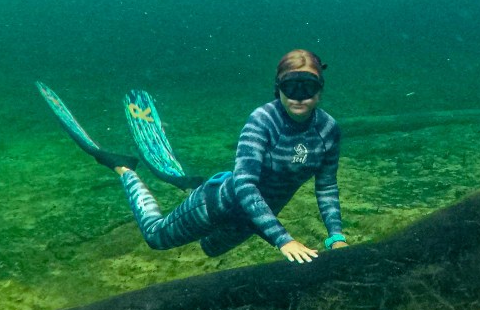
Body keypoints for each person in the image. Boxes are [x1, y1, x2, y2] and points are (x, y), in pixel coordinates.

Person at [112, 49, 347, 263]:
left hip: (257, 218)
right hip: (218, 205)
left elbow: (326, 186)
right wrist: (283, 239)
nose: (299, 96)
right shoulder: (262, 120)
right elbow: (246, 184)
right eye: (290, 86)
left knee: (210, 249)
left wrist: (335, 236)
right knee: (155, 237)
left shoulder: (328, 129)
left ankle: (191, 188)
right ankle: (125, 169)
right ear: (278, 88)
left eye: (308, 86)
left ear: (320, 89)